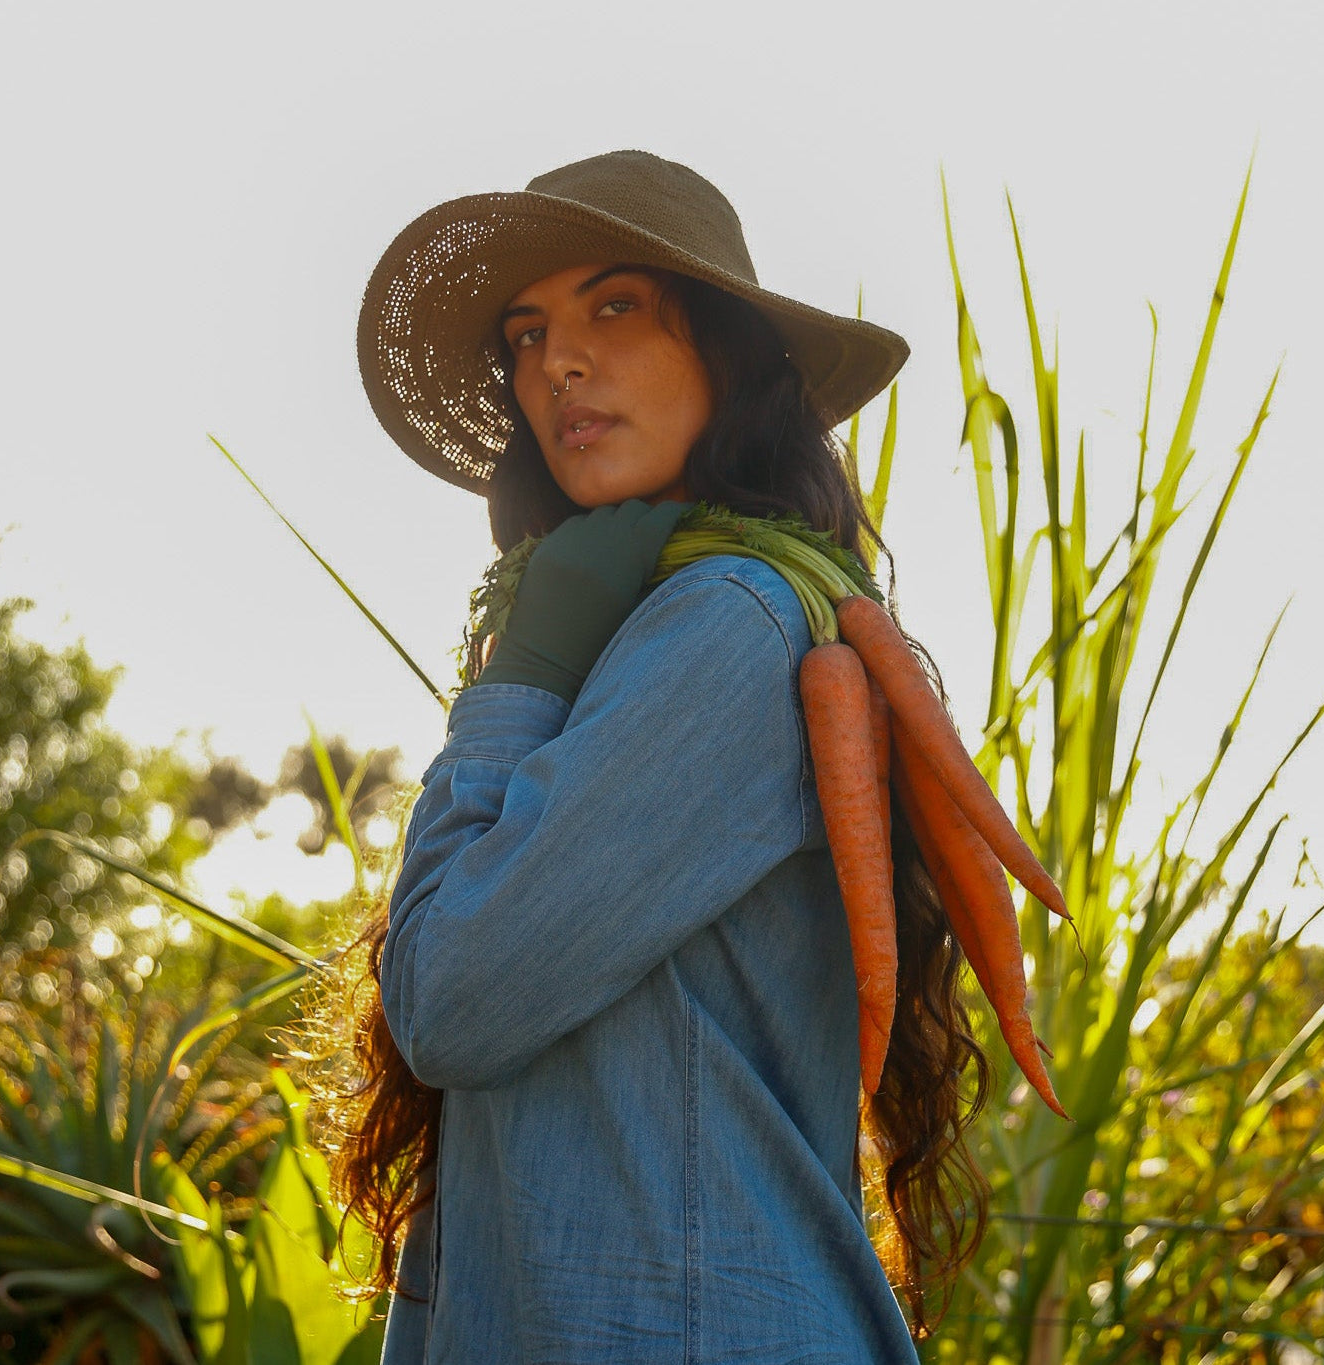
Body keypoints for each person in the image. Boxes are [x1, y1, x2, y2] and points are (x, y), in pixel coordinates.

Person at [336, 149, 989, 1364]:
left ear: (731, 354)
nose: (557, 363)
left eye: (616, 307)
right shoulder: (661, 629)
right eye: (526, 334)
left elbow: (455, 1003)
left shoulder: (730, 624)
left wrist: (520, 680)